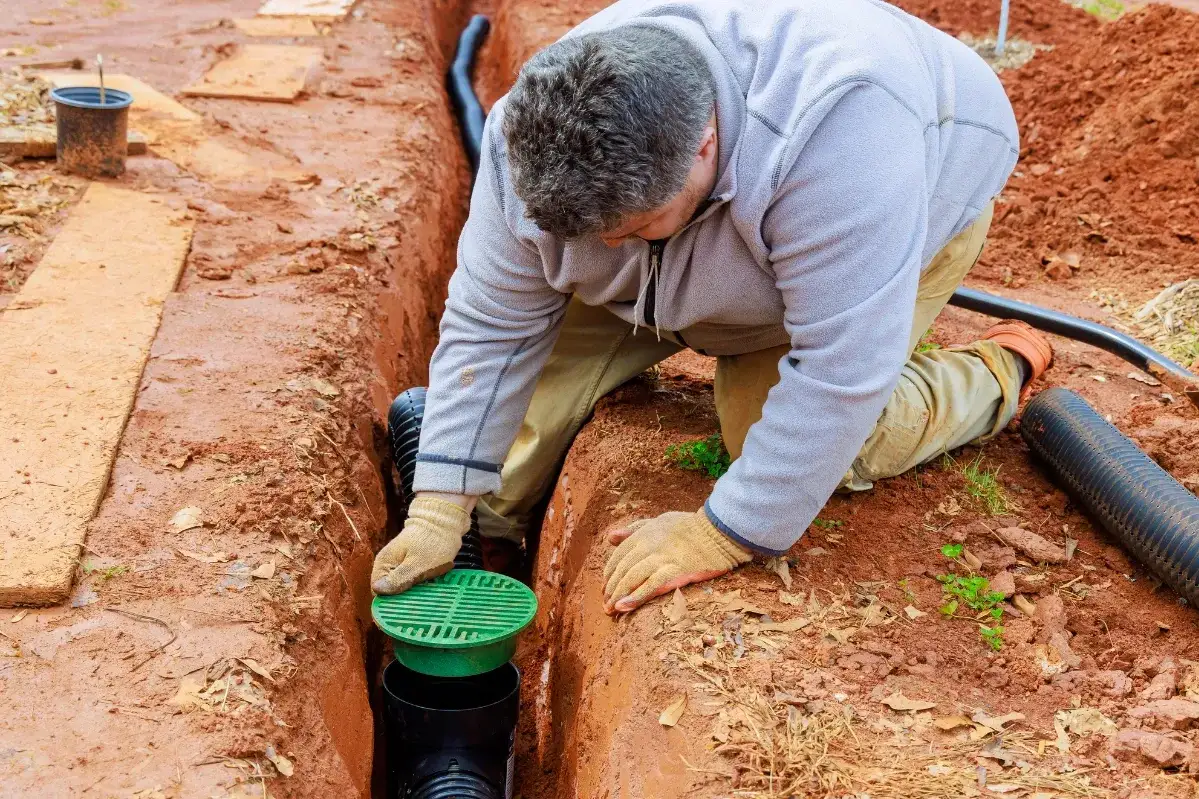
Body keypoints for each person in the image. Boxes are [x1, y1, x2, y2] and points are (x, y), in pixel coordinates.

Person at [371, 0, 1054, 613]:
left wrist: (723, 532)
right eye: (586, 237)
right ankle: (491, 541)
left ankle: (995, 372)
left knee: (812, 439)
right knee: (519, 424)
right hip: (691, 250)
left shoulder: (843, 136)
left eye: (631, 228)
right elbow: (493, 325)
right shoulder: (531, 130)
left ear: (702, 143)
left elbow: (839, 371)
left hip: (898, 205)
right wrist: (438, 508)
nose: (606, 247)